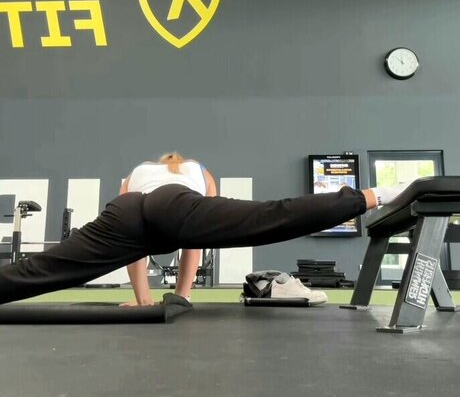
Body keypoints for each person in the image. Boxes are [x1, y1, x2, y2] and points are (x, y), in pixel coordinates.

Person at [0, 155, 410, 307]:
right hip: (173, 204)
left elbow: (133, 251)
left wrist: (143, 300)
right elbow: (196, 239)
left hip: (126, 210)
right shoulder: (198, 171)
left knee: (48, 268)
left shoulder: (136, 172)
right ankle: (375, 195)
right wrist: (181, 297)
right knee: (268, 216)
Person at [120, 152, 217, 306]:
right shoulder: (199, 169)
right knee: (194, 237)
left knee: (133, 233)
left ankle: (143, 301)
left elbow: (123, 212)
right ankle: (181, 298)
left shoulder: (138, 170)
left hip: (148, 209)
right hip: (184, 210)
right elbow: (208, 212)